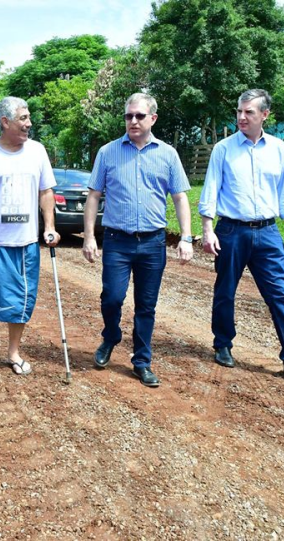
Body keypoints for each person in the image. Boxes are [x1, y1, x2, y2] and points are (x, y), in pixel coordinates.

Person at [199, 89, 284, 381]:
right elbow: (210, 190)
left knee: (280, 294)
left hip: (267, 232)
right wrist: (207, 229)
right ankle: (223, 344)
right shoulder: (223, 149)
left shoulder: (278, 149)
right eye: (239, 111)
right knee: (225, 291)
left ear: (264, 115)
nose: (241, 117)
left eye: (248, 112)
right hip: (230, 231)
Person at [82, 93, 193, 388]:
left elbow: (180, 197)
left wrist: (186, 237)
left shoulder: (168, 154)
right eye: (129, 116)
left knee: (146, 305)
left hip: (153, 244)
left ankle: (142, 361)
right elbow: (93, 195)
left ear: (153, 118)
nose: (133, 120)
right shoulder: (108, 152)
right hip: (117, 241)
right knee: (113, 297)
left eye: (139, 116)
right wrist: (89, 236)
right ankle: (110, 336)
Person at [0, 96, 59, 376]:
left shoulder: (37, 151)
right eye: (23, 118)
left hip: (26, 242)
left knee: (22, 300)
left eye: (29, 118)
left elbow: (46, 192)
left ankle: (13, 351)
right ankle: (12, 349)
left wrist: (50, 227)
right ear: (5, 122)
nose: (29, 124)